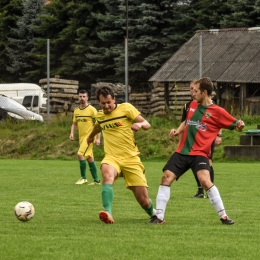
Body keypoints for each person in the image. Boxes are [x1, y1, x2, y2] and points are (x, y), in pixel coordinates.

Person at [149, 77, 244, 225]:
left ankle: (224, 216)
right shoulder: (192, 105)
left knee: (205, 181)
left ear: (204, 92)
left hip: (200, 153)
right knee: (166, 177)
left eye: (196, 91)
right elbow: (186, 121)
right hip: (182, 151)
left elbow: (235, 126)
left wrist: (239, 125)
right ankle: (159, 217)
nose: (193, 93)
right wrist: (177, 132)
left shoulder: (217, 111)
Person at [87, 85, 155, 224]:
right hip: (112, 157)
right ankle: (108, 212)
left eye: (109, 103)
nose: (106, 106)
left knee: (143, 201)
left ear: (114, 99)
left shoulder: (126, 108)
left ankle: (153, 212)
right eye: (103, 103)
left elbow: (146, 123)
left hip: (131, 158)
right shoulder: (100, 116)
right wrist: (90, 136)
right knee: (107, 174)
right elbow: (98, 126)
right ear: (99, 103)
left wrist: (140, 125)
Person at [180, 81, 222, 198]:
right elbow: (184, 123)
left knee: (207, 163)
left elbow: (218, 120)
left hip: (206, 139)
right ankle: (200, 191)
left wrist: (219, 135)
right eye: (190, 89)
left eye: (194, 89)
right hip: (192, 140)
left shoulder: (211, 104)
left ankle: (210, 190)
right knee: (195, 164)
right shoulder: (188, 106)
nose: (192, 91)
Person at [69, 90, 101, 185]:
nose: (82, 98)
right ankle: (96, 180)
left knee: (80, 154)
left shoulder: (92, 110)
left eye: (84, 96)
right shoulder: (76, 111)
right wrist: (72, 133)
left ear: (87, 98)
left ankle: (83, 178)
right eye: (80, 96)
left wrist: (98, 138)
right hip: (81, 138)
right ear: (78, 98)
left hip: (90, 138)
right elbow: (74, 124)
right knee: (90, 158)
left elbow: (98, 125)